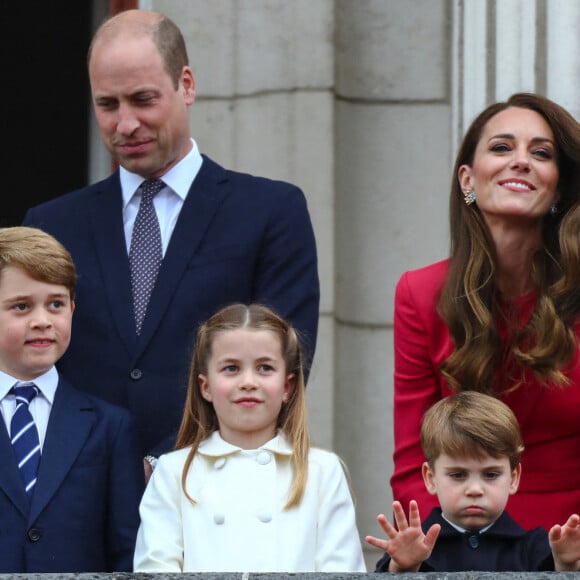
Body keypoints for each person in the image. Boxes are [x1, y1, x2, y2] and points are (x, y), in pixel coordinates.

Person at [22, 9, 319, 465]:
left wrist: (175, 467)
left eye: (142, 99)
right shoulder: (51, 225)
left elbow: (283, 363)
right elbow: (28, 371)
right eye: (107, 104)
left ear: (186, 85)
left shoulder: (270, 212)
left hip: (217, 489)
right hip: (80, 496)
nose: (125, 124)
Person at [390, 92, 580, 532]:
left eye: (541, 153)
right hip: (465, 542)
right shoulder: (420, 293)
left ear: (557, 187)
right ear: (467, 180)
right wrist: (450, 552)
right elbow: (413, 459)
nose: (521, 161)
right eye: (501, 147)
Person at [133, 303, 366, 572]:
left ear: (287, 386)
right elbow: (156, 569)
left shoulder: (322, 471)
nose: (248, 382)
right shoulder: (174, 472)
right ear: (205, 387)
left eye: (265, 368)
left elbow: (341, 571)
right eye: (231, 368)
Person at [0, 226, 144, 573]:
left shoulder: (110, 426)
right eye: (21, 306)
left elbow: (128, 549)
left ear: (73, 308)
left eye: (56, 305)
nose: (42, 321)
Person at [368, 392, 580, 572]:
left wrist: (565, 564)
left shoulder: (537, 548)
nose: (475, 490)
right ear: (430, 478)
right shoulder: (414, 546)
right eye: (458, 475)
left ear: (514, 478)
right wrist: (403, 567)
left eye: (490, 475)